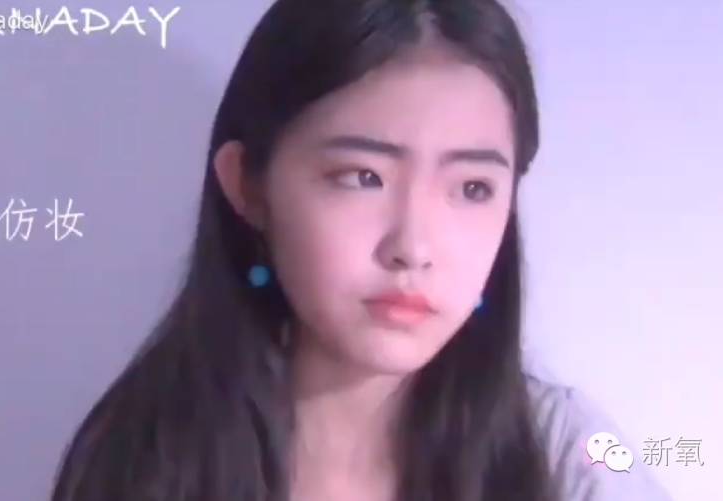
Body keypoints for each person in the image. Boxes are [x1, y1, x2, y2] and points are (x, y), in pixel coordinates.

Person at [50, 0, 674, 500]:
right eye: (362, 177)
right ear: (250, 187)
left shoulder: (572, 453)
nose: (414, 247)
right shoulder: (148, 461)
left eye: (473, 189)